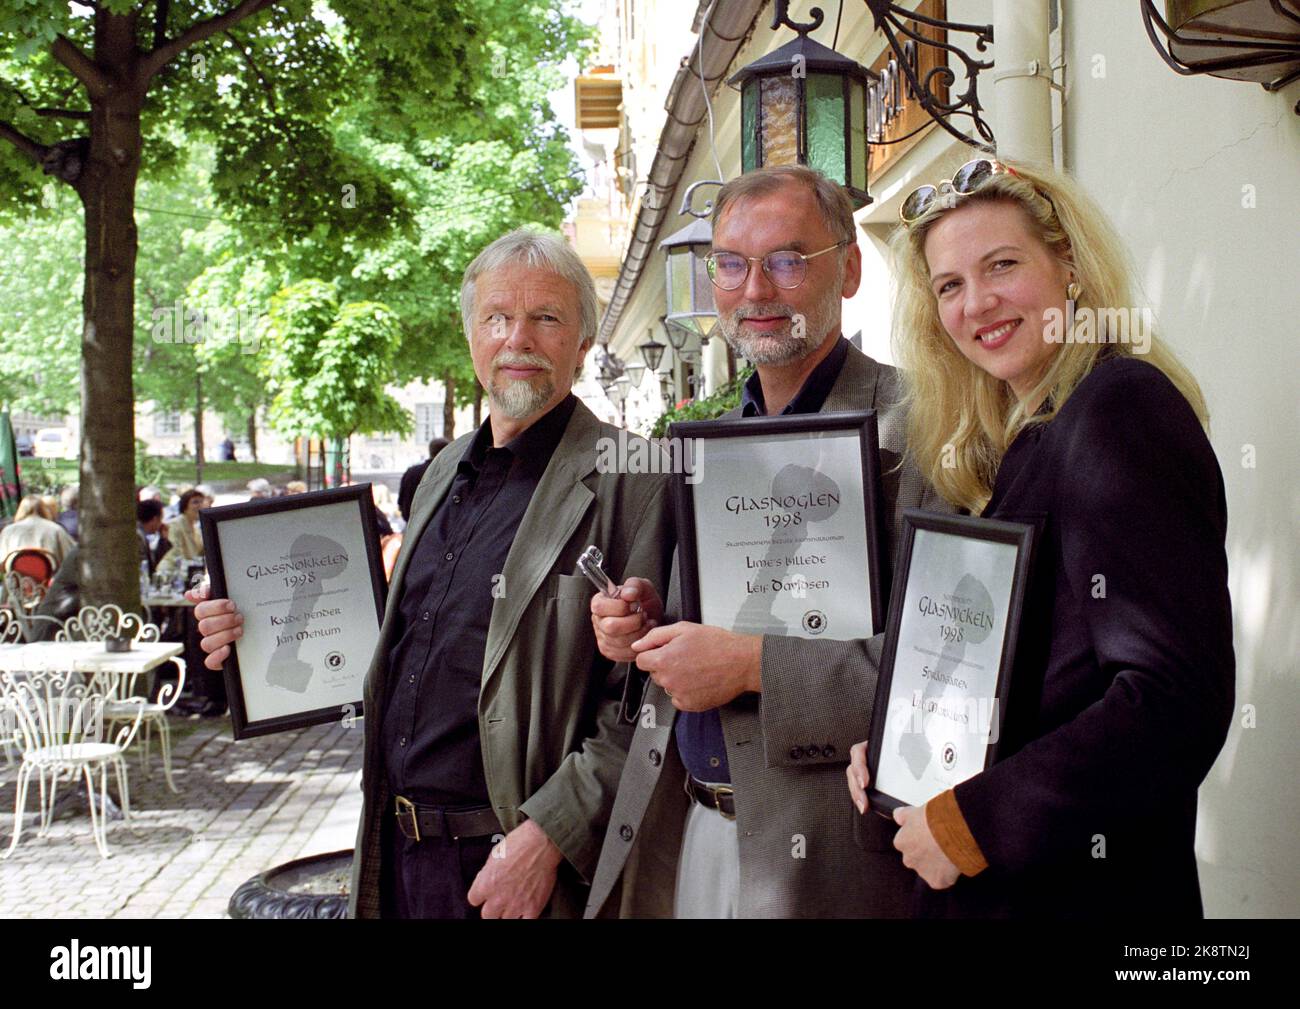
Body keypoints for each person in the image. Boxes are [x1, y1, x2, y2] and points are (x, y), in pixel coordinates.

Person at [191, 228, 675, 918]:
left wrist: (550, 837)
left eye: (546, 318)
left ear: (583, 345)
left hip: (521, 870)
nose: (519, 340)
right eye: (498, 317)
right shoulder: (441, 475)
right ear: (471, 334)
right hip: (396, 854)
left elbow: (649, 699)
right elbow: (391, 649)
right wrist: (253, 635)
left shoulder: (632, 480)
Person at [844, 158, 1234, 917]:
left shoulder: (1120, 409)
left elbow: (1173, 700)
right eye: (950, 284)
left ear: (1070, 269)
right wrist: (906, 752)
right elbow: (1046, 680)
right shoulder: (1036, 434)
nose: (976, 302)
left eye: (1002, 266)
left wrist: (969, 824)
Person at [584, 165, 949, 919]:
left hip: (832, 865)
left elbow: (943, 674)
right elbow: (713, 627)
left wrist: (749, 665)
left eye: (787, 260)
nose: (754, 291)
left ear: (847, 269)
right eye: (730, 263)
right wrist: (647, 621)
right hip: (690, 835)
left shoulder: (922, 430)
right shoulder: (711, 441)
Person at [0, 494, 75, 571]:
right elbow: (71, 557)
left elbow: (1, 564)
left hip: (16, 581)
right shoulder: (55, 529)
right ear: (44, 509)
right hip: (49, 580)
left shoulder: (8, 531)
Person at [398, 437, 451, 523]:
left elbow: (401, 504)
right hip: (438, 528)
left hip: (411, 527)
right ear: (447, 451)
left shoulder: (411, 472)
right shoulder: (448, 473)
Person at [137, 498, 172, 575]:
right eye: (161, 519)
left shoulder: (142, 534)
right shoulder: (138, 537)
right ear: (155, 519)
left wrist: (163, 539)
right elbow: (148, 568)